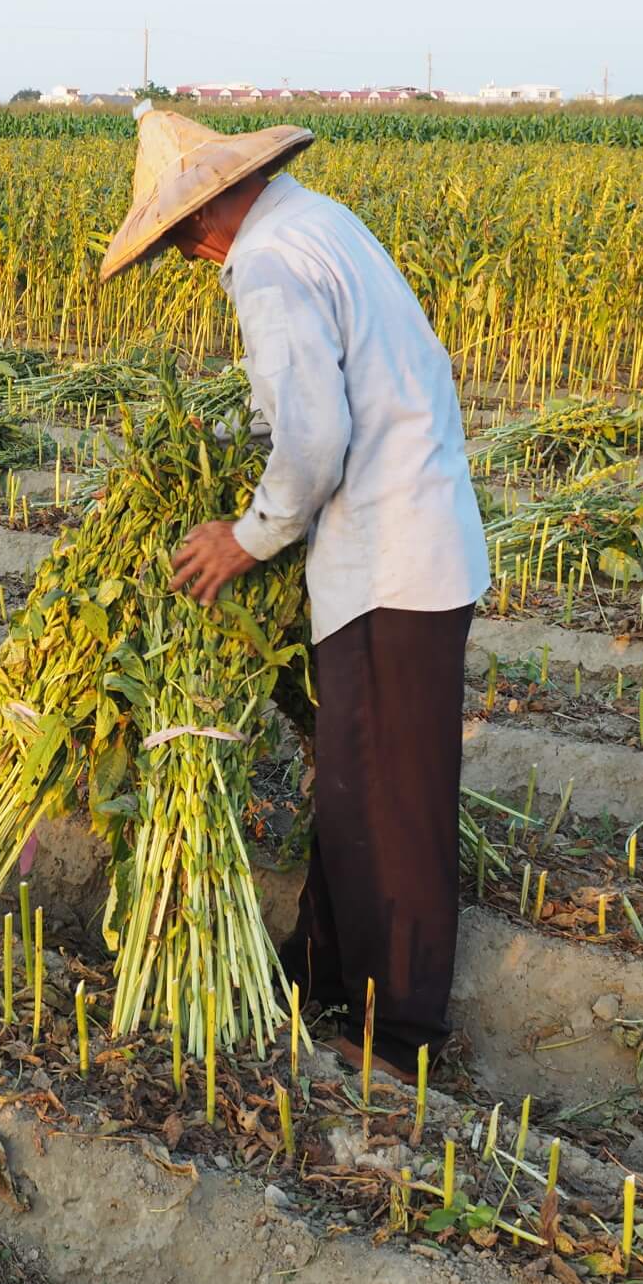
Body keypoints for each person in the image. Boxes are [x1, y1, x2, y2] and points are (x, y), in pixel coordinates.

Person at [100, 105, 489, 1081]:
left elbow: (314, 439)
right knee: (354, 781)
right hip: (401, 545)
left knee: (390, 802)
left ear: (209, 209)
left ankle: (398, 1038)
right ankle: (317, 970)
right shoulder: (320, 223)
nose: (188, 257)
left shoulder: (270, 263)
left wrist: (245, 538)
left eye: (179, 237)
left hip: (393, 561)